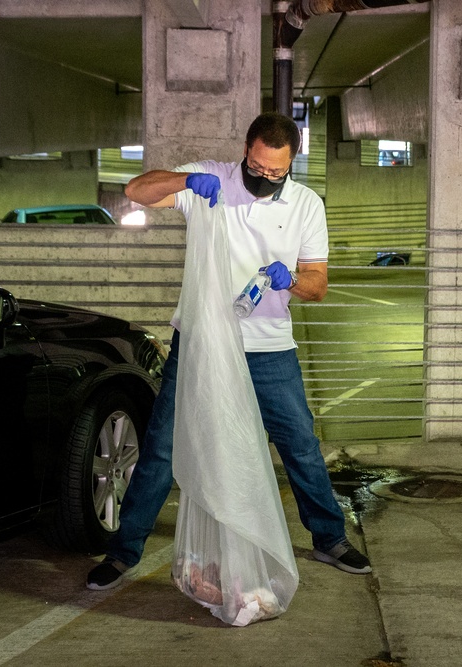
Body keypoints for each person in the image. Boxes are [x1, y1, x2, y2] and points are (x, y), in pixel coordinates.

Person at [86, 112, 371, 591]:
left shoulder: (306, 204)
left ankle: (329, 537)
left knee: (299, 443)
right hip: (200, 340)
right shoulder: (211, 179)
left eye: (276, 172)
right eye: (257, 168)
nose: (264, 178)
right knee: (161, 446)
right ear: (246, 150)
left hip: (269, 346)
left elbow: (318, 285)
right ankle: (123, 551)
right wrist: (185, 180)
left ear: (292, 162)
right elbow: (137, 192)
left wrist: (293, 279)